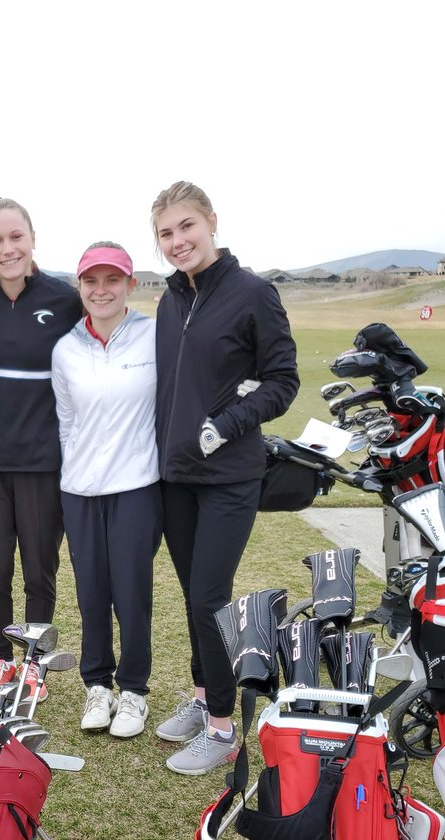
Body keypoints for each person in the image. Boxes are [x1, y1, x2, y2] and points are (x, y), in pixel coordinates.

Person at [151, 181, 299, 773]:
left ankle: (222, 726)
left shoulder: (252, 293)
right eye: (166, 233)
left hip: (230, 475)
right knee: (194, 596)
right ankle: (201, 695)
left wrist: (228, 422)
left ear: (211, 221)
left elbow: (283, 381)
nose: (178, 240)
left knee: (211, 597)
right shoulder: (169, 300)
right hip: (176, 476)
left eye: (186, 226)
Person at [0, 197, 82, 697]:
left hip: (43, 463)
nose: (7, 249)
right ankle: (2, 660)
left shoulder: (64, 299)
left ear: (32, 239)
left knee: (38, 570)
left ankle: (34, 666)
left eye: (15, 237)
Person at [52, 242, 161, 739]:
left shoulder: (153, 337)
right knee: (91, 592)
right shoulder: (66, 348)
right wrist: (75, 471)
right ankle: (97, 685)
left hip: (136, 486)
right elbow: (66, 420)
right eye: (91, 281)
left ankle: (134, 690)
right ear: (80, 287)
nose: (101, 290)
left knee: (131, 593)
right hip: (79, 490)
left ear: (130, 284)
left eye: (112, 279)